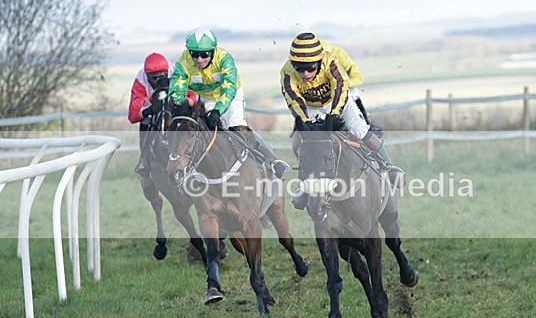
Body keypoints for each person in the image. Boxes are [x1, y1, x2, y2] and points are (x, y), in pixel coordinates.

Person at [280, 32, 402, 209]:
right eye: (300, 69)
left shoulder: (331, 62)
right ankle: (304, 187)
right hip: (310, 107)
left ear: (320, 62)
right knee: (306, 142)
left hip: (339, 102)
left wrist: (334, 115)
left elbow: (340, 90)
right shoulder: (286, 72)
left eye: (310, 68)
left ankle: (389, 168)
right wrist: (307, 123)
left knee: (361, 130)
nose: (305, 73)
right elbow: (294, 99)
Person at [169, 27, 289, 178]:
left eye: (204, 54)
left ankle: (272, 160)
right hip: (206, 98)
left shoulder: (225, 59)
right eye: (194, 54)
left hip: (230, 96)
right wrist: (179, 105)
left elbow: (228, 89)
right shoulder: (184, 61)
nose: (199, 59)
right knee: (198, 131)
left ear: (213, 51)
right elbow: (177, 86)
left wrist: (218, 110)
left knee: (237, 126)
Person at [128, 52, 173, 177]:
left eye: (162, 76)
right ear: (146, 76)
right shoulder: (140, 81)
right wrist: (149, 110)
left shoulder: (177, 73)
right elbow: (133, 116)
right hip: (152, 109)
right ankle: (144, 159)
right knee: (146, 122)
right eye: (154, 78)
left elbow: (192, 94)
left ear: (168, 72)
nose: (158, 80)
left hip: (173, 106)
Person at [321, 42, 377, 130]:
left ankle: (366, 126)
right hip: (322, 92)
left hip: (344, 87)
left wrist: (342, 84)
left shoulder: (338, 53)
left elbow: (357, 78)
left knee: (352, 94)